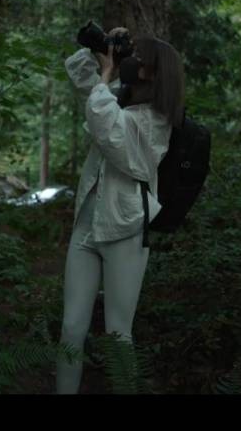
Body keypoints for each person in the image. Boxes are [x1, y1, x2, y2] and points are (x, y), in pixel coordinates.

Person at [56, 27, 185, 394]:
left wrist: (108, 75)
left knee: (118, 334)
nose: (131, 62)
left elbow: (108, 129)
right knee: (71, 328)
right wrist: (102, 48)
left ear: (155, 73)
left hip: (125, 231)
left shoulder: (156, 122)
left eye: (138, 59)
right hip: (86, 227)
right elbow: (79, 72)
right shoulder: (117, 97)